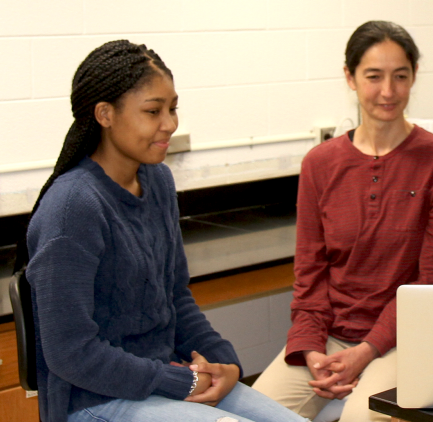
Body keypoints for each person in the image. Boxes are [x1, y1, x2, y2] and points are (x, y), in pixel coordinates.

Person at [17, 40, 308, 422]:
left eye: (172, 109)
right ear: (104, 114)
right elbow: (71, 352)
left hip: (162, 381)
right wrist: (177, 381)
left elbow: (175, 298)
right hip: (93, 401)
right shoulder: (73, 206)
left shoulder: (158, 182)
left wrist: (225, 363)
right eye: (153, 111)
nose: (169, 123)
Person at [252, 21, 433, 422]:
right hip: (328, 337)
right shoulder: (320, 164)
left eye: (400, 76)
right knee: (249, 415)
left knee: (362, 418)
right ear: (350, 78)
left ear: (413, 77)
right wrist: (310, 348)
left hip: (402, 339)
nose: (388, 91)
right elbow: (310, 274)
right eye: (374, 77)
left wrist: (367, 350)